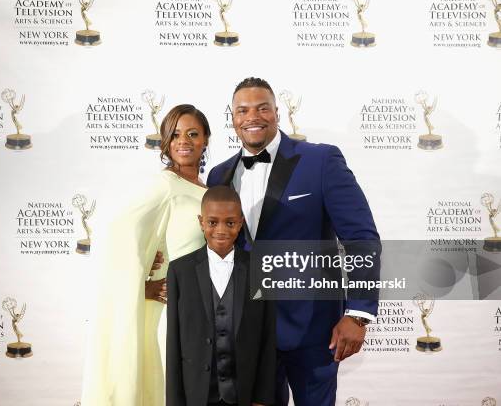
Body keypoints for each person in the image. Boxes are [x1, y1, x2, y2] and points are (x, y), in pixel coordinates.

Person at [206, 77, 380, 406]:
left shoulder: (320, 161)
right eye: (242, 110)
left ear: (277, 113)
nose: (252, 117)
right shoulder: (219, 175)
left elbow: (361, 238)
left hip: (313, 329)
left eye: (262, 108)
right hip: (248, 331)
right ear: (232, 118)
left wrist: (358, 313)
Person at [80, 104, 211, 406]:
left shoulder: (209, 188)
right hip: (167, 315)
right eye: (175, 134)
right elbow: (113, 231)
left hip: (200, 311)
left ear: (205, 138)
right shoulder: (164, 185)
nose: (184, 141)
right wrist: (139, 282)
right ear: (165, 141)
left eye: (193, 133)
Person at [166, 186, 275, 406]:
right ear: (201, 222)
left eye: (230, 222)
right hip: (197, 395)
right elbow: (174, 343)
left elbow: (267, 338)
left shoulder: (261, 268)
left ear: (241, 222)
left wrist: (262, 399)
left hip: (243, 394)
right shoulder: (180, 271)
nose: (221, 230)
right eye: (213, 222)